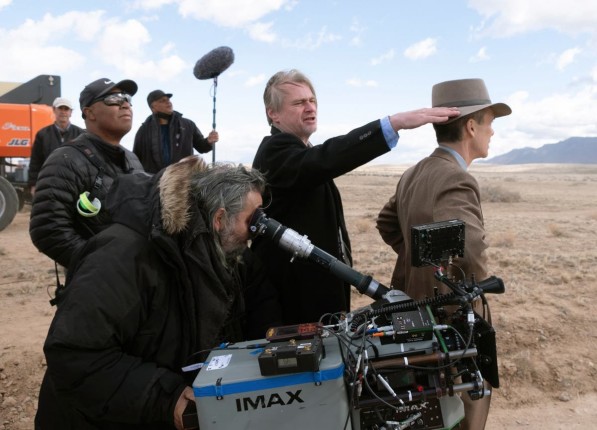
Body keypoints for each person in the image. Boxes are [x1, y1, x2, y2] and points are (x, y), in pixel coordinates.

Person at [35, 156, 281, 429]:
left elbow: (260, 302)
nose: (254, 233)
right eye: (251, 221)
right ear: (219, 219)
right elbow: (74, 354)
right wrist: (167, 398)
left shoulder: (216, 250)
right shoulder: (123, 256)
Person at [251, 69, 460, 325]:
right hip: (292, 301)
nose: (310, 107)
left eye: (312, 100)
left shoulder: (301, 152)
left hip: (316, 294)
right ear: (273, 113)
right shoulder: (275, 151)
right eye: (298, 102)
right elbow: (326, 158)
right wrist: (393, 124)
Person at [375, 78, 512, 430]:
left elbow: (387, 223)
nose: (492, 132)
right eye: (489, 122)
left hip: (410, 310)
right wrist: (468, 292)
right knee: (465, 402)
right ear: (471, 127)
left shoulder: (414, 172)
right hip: (448, 320)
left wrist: (417, 261)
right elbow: (471, 250)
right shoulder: (456, 178)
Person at [29, 78, 144, 270]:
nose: (125, 104)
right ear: (89, 113)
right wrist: (103, 265)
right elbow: (48, 230)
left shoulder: (133, 160)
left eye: (127, 99)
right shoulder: (65, 159)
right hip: (100, 281)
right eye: (114, 99)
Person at [133, 89, 219, 173]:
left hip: (182, 178)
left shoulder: (188, 124)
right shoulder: (143, 130)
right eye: (162, 101)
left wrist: (209, 141)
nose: (168, 102)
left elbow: (202, 147)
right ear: (153, 108)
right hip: (153, 180)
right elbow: (135, 159)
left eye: (168, 100)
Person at [28, 97, 85, 194]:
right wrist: (33, 184)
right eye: (60, 108)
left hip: (74, 184)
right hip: (49, 184)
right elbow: (35, 162)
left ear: (71, 112)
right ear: (54, 110)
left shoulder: (81, 135)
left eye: (66, 109)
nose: (63, 112)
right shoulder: (43, 134)